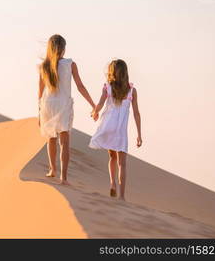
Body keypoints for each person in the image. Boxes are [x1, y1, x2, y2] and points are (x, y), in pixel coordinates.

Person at [38, 34, 95, 185]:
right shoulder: (70, 64)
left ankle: (52, 169)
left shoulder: (44, 66)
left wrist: (39, 113)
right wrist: (93, 104)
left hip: (48, 103)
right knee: (64, 142)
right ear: (63, 49)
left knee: (51, 138)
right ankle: (63, 177)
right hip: (63, 104)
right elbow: (80, 87)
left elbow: (40, 91)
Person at [89, 59, 142, 200]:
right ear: (125, 73)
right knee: (122, 164)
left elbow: (100, 103)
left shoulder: (108, 88)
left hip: (108, 126)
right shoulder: (132, 91)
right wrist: (139, 134)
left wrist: (95, 112)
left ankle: (112, 183)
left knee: (112, 157)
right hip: (120, 131)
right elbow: (136, 113)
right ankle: (122, 196)